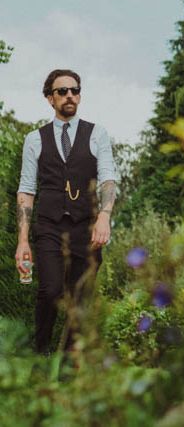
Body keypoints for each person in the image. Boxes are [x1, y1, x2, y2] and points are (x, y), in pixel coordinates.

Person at [14, 69, 118, 354]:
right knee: (50, 290)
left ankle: (70, 358)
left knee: (80, 298)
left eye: (74, 90)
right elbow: (26, 189)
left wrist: (105, 217)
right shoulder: (34, 139)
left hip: (86, 227)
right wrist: (23, 241)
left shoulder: (97, 134)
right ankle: (42, 349)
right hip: (49, 225)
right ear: (50, 99)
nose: (69, 95)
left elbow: (108, 179)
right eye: (62, 91)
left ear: (79, 95)